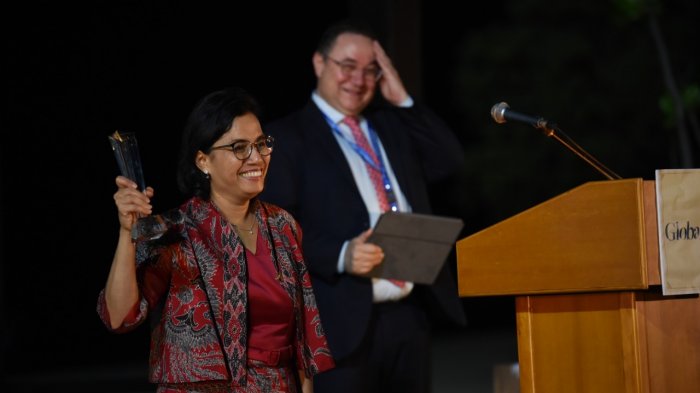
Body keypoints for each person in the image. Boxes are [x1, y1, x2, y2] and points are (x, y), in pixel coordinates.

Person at [260, 20, 467, 393]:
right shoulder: (288, 137)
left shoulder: (390, 125)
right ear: (319, 64)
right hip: (340, 319)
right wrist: (340, 254)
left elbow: (448, 160)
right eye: (348, 66)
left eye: (371, 69)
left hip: (409, 312)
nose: (359, 79)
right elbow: (275, 230)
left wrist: (401, 97)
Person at [97, 87, 335, 393]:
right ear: (203, 161)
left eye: (261, 144)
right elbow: (119, 317)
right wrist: (126, 233)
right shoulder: (176, 230)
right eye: (239, 147)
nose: (256, 158)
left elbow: (302, 341)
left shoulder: (282, 226)